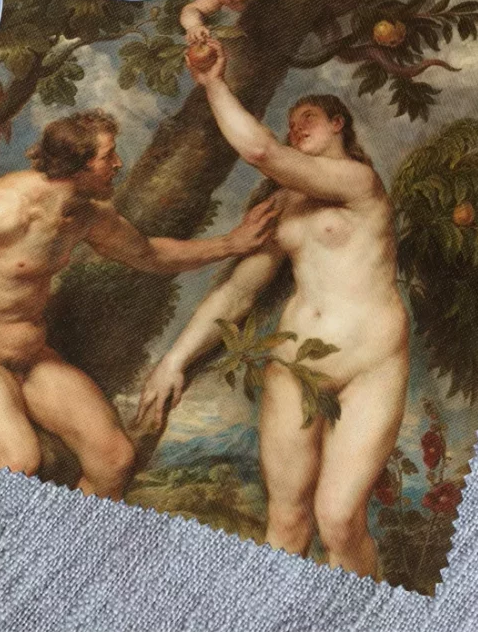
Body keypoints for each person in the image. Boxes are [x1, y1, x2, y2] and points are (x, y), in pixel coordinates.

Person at [0, 109, 277, 499]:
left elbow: (148, 253)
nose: (118, 164)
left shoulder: (85, 214)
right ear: (78, 165)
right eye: (108, 157)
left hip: (28, 358)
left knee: (115, 460)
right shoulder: (5, 210)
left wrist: (230, 244)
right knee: (17, 460)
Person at [137, 41, 409, 578]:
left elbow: (260, 151)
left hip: (369, 365)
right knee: (285, 520)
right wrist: (175, 359)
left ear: (338, 124)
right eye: (290, 122)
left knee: (338, 522)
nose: (295, 127)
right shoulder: (282, 204)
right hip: (294, 367)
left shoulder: (358, 181)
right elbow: (238, 292)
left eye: (308, 118)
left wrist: (213, 82)